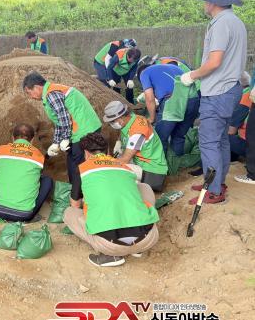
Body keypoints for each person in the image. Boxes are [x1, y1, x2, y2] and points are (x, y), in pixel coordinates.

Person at [180, 0, 247, 204]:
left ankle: (214, 190)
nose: (204, 3)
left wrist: (192, 75)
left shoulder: (221, 24)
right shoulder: (235, 22)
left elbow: (215, 61)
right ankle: (217, 182)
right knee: (221, 140)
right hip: (231, 89)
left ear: (213, 1)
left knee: (209, 142)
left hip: (218, 91)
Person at [63, 132, 159, 267]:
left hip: (111, 245)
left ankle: (110, 256)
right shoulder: (124, 166)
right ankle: (137, 249)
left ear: (86, 153)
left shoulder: (82, 169)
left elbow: (75, 204)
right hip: (148, 238)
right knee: (144, 187)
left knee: (69, 213)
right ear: (107, 150)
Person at [22, 72, 101, 195]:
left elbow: (64, 118)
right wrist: (56, 143)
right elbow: (59, 121)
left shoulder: (51, 94)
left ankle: (80, 196)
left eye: (29, 92)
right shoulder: (51, 92)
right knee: (72, 162)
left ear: (37, 87)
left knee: (78, 166)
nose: (30, 96)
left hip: (85, 131)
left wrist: (65, 138)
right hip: (83, 129)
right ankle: (75, 192)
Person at [0, 123, 53, 222]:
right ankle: (32, 215)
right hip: (23, 215)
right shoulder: (38, 156)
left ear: (12, 137)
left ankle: (0, 202)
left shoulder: (2, 151)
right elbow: (37, 176)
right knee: (47, 180)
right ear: (32, 140)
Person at [137, 62, 200, 156]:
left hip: (172, 101)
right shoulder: (172, 67)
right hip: (193, 100)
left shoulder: (144, 73)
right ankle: (175, 162)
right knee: (178, 136)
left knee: (160, 137)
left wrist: (152, 118)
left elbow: (149, 98)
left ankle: (161, 164)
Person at [104, 101, 168, 192]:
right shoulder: (131, 119)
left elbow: (125, 160)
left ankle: (138, 190)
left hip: (153, 172)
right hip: (142, 163)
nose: (112, 124)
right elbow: (124, 131)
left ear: (120, 118)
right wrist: (119, 141)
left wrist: (105, 163)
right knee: (116, 162)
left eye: (112, 121)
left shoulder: (138, 131)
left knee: (115, 170)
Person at [228, 72, 252, 161]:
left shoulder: (243, 100)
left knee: (221, 136)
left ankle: (231, 160)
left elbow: (231, 131)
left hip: (250, 146)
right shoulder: (250, 93)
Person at [234, 83, 255, 185]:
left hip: (245, 143)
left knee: (224, 137)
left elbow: (231, 130)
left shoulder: (246, 97)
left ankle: (252, 175)